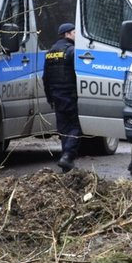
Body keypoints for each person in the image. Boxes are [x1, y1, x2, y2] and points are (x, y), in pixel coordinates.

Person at [43, 22, 82, 172]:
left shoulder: (50, 53)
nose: (76, 35)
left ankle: (66, 163)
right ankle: (67, 156)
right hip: (70, 95)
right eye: (74, 32)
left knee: (64, 129)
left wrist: (49, 98)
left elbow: (45, 78)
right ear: (67, 34)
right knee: (75, 128)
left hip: (56, 96)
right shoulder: (72, 51)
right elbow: (77, 74)